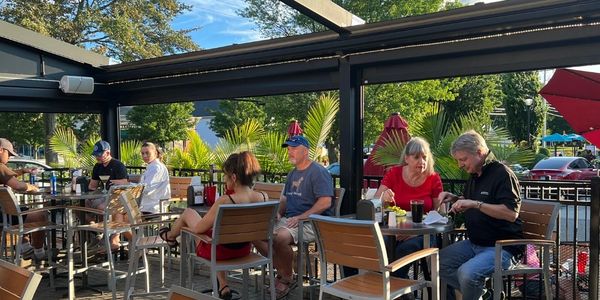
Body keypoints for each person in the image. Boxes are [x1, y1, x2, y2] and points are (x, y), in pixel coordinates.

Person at [159, 151, 266, 300]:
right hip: (244, 250)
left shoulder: (225, 201)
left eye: (226, 176)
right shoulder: (263, 197)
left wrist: (186, 229)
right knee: (215, 237)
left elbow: (198, 229)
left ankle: (170, 236)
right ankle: (223, 285)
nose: (224, 179)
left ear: (234, 177)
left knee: (189, 213)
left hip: (220, 254)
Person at [438, 130, 523, 300]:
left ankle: (480, 294)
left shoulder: (502, 174)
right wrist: (456, 199)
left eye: (463, 160)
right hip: (475, 243)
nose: (460, 165)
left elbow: (511, 213)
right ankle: (485, 296)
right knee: (437, 263)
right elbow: (473, 200)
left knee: (467, 273)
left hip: (503, 247)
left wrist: (475, 204)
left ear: (479, 152)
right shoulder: (475, 175)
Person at [254, 135, 334, 299]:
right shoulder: (292, 174)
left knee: (281, 237)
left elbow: (325, 202)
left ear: (305, 152)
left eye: (294, 149)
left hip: (313, 222)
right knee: (254, 233)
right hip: (291, 219)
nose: (290, 152)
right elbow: (285, 199)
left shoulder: (318, 172)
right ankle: (283, 270)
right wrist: (278, 212)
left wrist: (300, 217)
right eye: (289, 149)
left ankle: (287, 276)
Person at [373, 136, 443, 279]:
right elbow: (376, 201)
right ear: (406, 159)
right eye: (416, 157)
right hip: (393, 231)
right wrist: (384, 198)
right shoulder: (394, 173)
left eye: (424, 157)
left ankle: (394, 290)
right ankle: (386, 288)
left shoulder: (433, 178)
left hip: (423, 233)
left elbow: (438, 213)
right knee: (379, 246)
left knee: (403, 250)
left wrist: (414, 232)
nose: (422, 161)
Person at [0, 138, 48, 261]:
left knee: (26, 212)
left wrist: (23, 170)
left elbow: (8, 175)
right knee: (41, 215)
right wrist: (33, 187)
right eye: (9, 154)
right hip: (5, 216)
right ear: (1, 150)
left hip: (3, 216)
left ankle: (25, 247)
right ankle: (39, 253)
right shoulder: (0, 166)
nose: (9, 158)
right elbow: (19, 186)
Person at [87, 140, 129, 252]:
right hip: (103, 195)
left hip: (117, 197)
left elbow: (125, 182)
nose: (98, 157)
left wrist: (118, 183)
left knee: (101, 207)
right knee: (80, 206)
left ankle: (107, 236)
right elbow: (93, 185)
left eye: (100, 155)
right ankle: (95, 232)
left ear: (108, 152)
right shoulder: (97, 167)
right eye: (96, 155)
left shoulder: (118, 165)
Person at [138, 142, 170, 214]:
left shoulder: (156, 168)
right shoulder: (152, 166)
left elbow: (147, 188)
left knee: (120, 215)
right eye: (142, 153)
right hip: (148, 206)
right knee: (120, 214)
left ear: (155, 153)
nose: (144, 156)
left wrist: (129, 186)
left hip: (152, 208)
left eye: (147, 153)